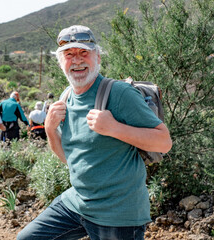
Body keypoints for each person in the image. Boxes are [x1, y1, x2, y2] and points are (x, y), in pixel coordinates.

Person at [17, 25, 172, 240]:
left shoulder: (118, 93)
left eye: (84, 53)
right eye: (69, 54)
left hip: (117, 214)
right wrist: (50, 129)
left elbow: (164, 142)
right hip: (77, 204)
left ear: (97, 56)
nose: (77, 60)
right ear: (61, 62)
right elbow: (70, 159)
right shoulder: (65, 97)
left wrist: (114, 128)